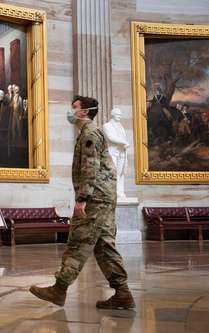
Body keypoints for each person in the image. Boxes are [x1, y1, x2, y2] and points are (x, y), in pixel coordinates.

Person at [29, 96, 135, 310]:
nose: (71, 111)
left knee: (78, 242)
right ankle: (122, 293)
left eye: (74, 108)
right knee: (104, 246)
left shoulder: (90, 134)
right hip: (102, 197)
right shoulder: (90, 133)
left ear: (85, 111)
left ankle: (59, 289)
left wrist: (82, 199)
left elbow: (91, 168)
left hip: (95, 198)